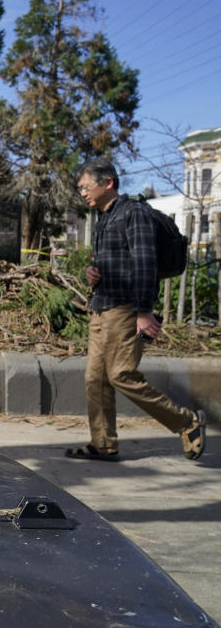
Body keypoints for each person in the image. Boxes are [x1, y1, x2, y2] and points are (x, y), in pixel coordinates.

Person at [66, 157, 206, 462]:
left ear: (108, 183)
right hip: (101, 307)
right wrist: (93, 271)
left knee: (121, 375)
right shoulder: (104, 219)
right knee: (95, 379)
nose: (82, 193)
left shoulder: (135, 214)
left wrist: (144, 312)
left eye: (85, 187)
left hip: (126, 310)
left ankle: (186, 421)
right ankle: (103, 444)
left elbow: (146, 264)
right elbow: (116, 263)